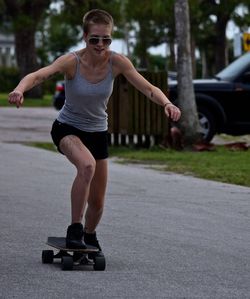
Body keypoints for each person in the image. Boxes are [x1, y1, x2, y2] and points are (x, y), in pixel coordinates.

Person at [8, 9, 181, 251]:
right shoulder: (72, 62)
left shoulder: (117, 62)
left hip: (97, 133)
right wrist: (19, 89)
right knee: (86, 166)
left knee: (98, 203)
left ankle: (89, 235)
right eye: (95, 39)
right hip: (67, 128)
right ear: (85, 37)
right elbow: (39, 75)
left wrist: (167, 103)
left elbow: (148, 88)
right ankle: (75, 229)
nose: (101, 45)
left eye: (106, 39)